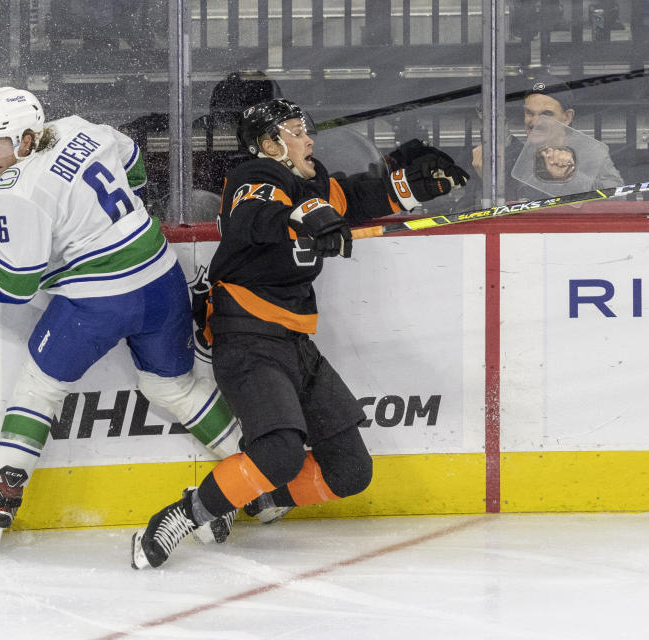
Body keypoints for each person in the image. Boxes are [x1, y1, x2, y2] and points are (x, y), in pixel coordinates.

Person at [130, 98, 469, 569]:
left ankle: (245, 497)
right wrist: (304, 216)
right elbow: (254, 217)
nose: (309, 138)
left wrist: (414, 184)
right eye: (295, 131)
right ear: (271, 144)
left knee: (351, 472)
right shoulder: (254, 176)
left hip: (294, 341)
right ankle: (181, 516)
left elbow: (362, 197)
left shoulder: (314, 183)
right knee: (280, 453)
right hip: (246, 337)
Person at [0, 86, 243, 547]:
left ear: (27, 138)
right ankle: (256, 476)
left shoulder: (13, 190)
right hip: (162, 279)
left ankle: (6, 490)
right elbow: (133, 160)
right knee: (172, 386)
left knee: (40, 386)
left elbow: (15, 284)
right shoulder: (82, 129)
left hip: (98, 302)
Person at [470, 74, 624, 202]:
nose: (535, 122)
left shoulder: (591, 153)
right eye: (529, 113)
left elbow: (618, 199)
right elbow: (479, 211)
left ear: (567, 117)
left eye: (546, 114)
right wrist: (490, 182)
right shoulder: (511, 154)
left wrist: (570, 177)